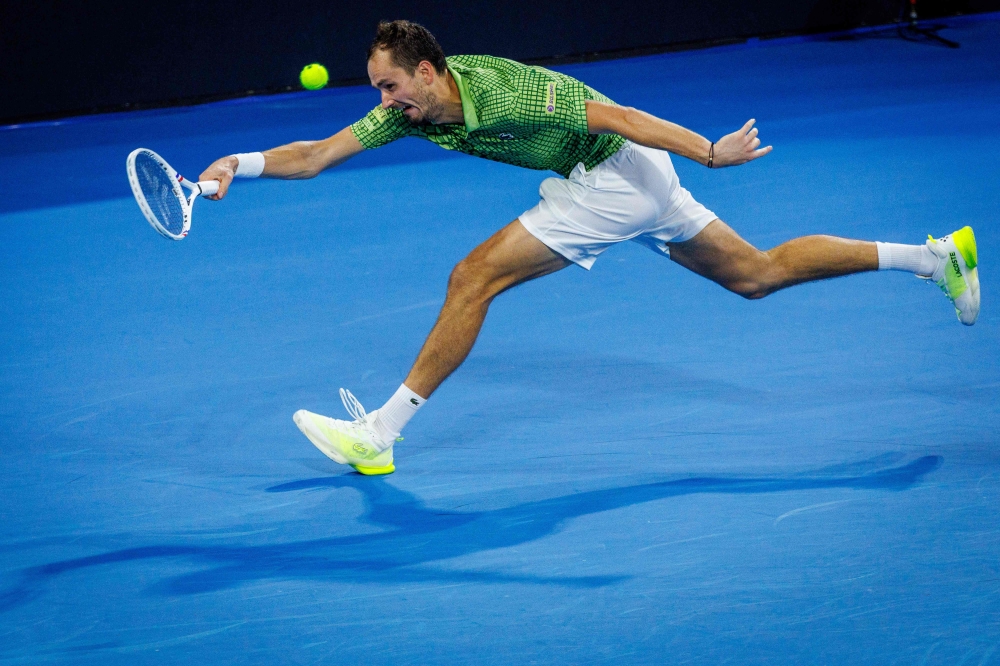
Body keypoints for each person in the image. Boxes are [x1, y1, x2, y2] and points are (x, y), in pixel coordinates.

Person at [199, 20, 980, 476]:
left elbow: (623, 116)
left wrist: (709, 152)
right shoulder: (414, 113)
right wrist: (243, 163)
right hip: (619, 181)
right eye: (376, 89)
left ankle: (379, 435)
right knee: (756, 273)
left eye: (389, 87)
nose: (382, 102)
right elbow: (318, 153)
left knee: (472, 277)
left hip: (615, 173)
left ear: (429, 72)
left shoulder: (506, 90)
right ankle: (934, 256)